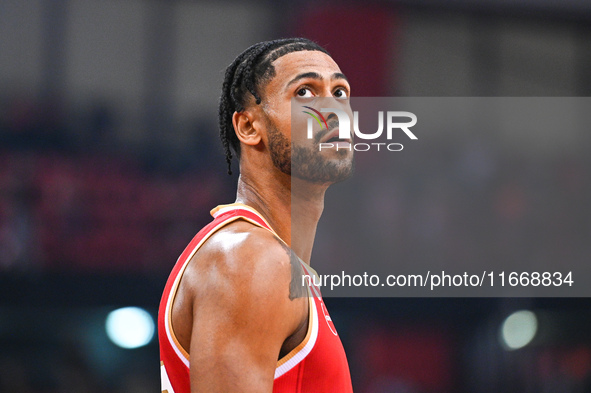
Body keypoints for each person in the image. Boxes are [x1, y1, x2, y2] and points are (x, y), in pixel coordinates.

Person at [158, 38, 354, 393]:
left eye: (340, 92)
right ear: (249, 127)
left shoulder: (269, 260)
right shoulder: (250, 261)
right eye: (306, 93)